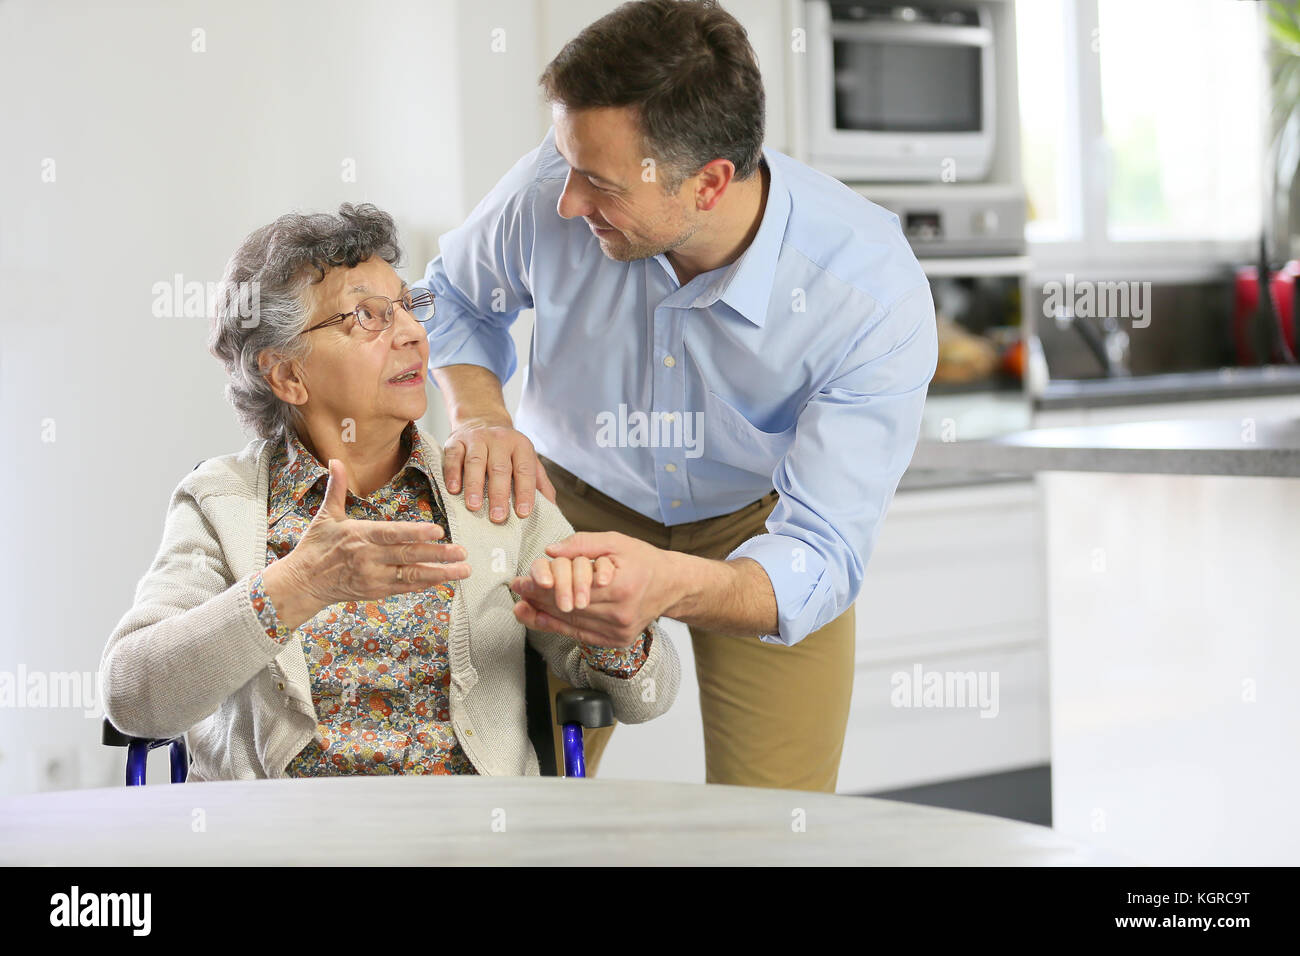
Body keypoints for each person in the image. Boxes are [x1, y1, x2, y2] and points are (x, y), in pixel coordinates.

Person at [415, 0, 937, 792]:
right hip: (572, 502)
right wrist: (482, 414)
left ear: (710, 183)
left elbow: (823, 550)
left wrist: (669, 581)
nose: (568, 204)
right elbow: (449, 293)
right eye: (567, 164)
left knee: (779, 830)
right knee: (514, 796)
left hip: (764, 525)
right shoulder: (551, 187)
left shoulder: (866, 289)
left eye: (599, 182)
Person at [100, 203, 679, 781]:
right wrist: (294, 587)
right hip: (280, 846)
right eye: (365, 317)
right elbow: (132, 696)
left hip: (468, 840)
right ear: (287, 375)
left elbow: (647, 698)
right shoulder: (222, 503)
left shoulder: (486, 485)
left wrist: (608, 626)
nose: (411, 334)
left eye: (408, 306)